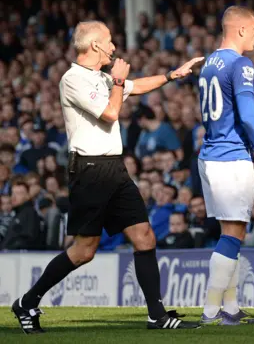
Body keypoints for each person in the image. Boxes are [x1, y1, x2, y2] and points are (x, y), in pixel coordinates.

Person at [11, 20, 202, 334]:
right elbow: (111, 113)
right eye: (110, 41)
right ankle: (27, 302)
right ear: (96, 46)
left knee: (144, 237)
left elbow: (135, 86)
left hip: (114, 168)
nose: (114, 46)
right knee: (84, 251)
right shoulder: (73, 79)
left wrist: (171, 75)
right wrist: (117, 82)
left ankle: (157, 315)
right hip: (89, 171)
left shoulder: (102, 77)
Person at [197, 6, 254, 326]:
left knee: (229, 233)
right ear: (241, 30)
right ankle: (210, 311)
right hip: (231, 157)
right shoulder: (241, 64)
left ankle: (229, 308)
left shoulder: (209, 63)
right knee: (234, 234)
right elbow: (248, 116)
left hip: (209, 155)